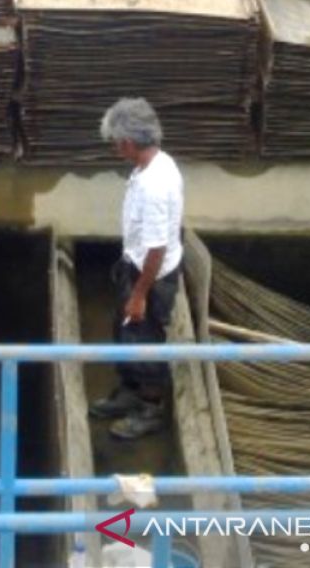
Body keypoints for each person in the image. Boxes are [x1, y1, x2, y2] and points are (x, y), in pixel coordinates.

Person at [89, 98, 184, 440]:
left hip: (151, 278)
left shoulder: (155, 184)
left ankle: (150, 409)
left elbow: (156, 248)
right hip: (136, 268)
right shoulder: (151, 166)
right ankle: (130, 390)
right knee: (125, 331)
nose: (115, 149)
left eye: (116, 143)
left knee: (145, 341)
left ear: (128, 142)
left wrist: (140, 294)